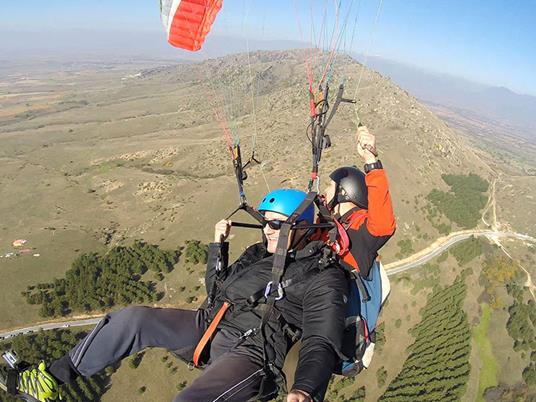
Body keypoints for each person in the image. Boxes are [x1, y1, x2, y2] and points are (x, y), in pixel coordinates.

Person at [2, 189, 348, 402]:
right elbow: (217, 291)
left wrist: (305, 388)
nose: (267, 231)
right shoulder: (258, 255)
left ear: (301, 227)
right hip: (210, 324)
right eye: (265, 223)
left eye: (276, 225)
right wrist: (219, 247)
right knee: (133, 319)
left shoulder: (322, 275)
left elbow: (321, 340)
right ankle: (50, 378)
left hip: (254, 352)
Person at [321, 125, 396, 277]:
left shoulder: (359, 226)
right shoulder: (327, 224)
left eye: (330, 186)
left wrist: (370, 160)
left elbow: (382, 225)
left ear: (343, 192)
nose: (325, 191)